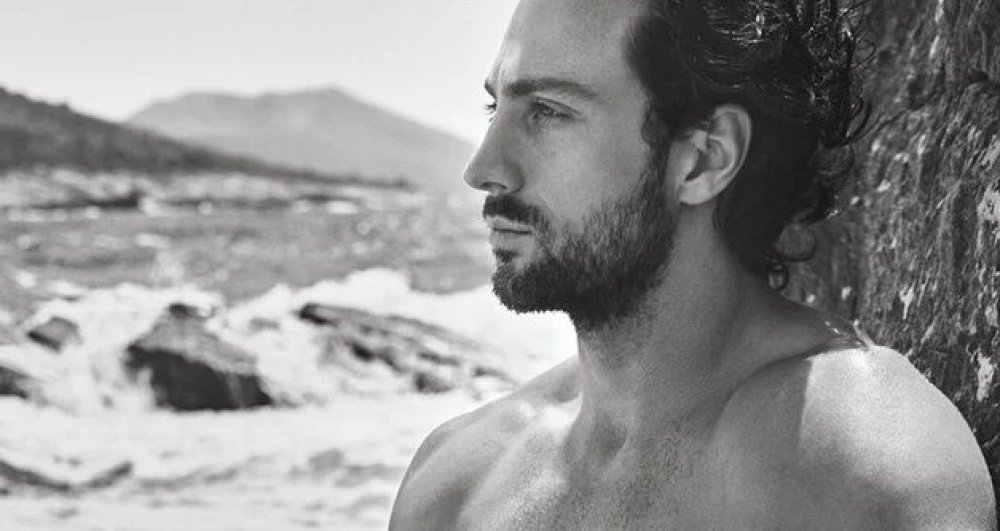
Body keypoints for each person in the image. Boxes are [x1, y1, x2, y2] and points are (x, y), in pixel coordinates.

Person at [390, 0, 996, 528]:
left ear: (706, 159)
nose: (482, 169)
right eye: (494, 107)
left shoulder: (863, 469)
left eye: (547, 111)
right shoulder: (453, 486)